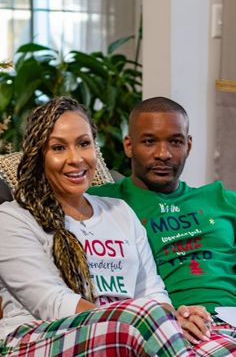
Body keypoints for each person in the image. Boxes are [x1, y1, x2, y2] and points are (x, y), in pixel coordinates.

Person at [0, 96, 199, 356]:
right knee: (142, 322)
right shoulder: (12, 218)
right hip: (36, 337)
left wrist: (177, 320)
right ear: (39, 156)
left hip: (129, 332)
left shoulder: (120, 212)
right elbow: (51, 303)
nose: (76, 159)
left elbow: (151, 291)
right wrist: (139, 320)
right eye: (59, 148)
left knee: (220, 340)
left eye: (84, 144)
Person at [89, 96, 236, 355]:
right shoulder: (104, 203)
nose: (163, 154)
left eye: (175, 142)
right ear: (129, 145)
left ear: (188, 145)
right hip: (174, 328)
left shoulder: (222, 200)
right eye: (149, 141)